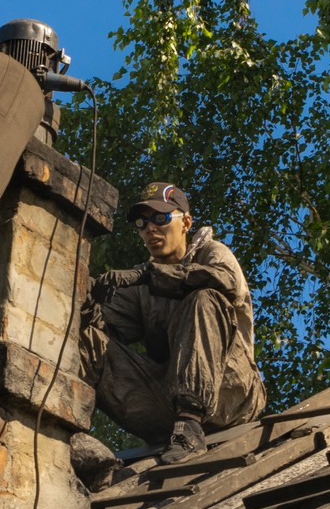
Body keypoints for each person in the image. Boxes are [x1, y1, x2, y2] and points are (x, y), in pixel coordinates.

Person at [73, 182, 267, 476]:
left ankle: (190, 422)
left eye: (160, 219)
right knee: (86, 338)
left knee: (204, 298)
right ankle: (71, 438)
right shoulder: (140, 285)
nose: (150, 229)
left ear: (186, 223)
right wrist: (84, 294)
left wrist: (149, 275)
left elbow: (226, 284)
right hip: (165, 406)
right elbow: (102, 325)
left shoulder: (212, 253)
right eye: (142, 223)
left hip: (232, 396)